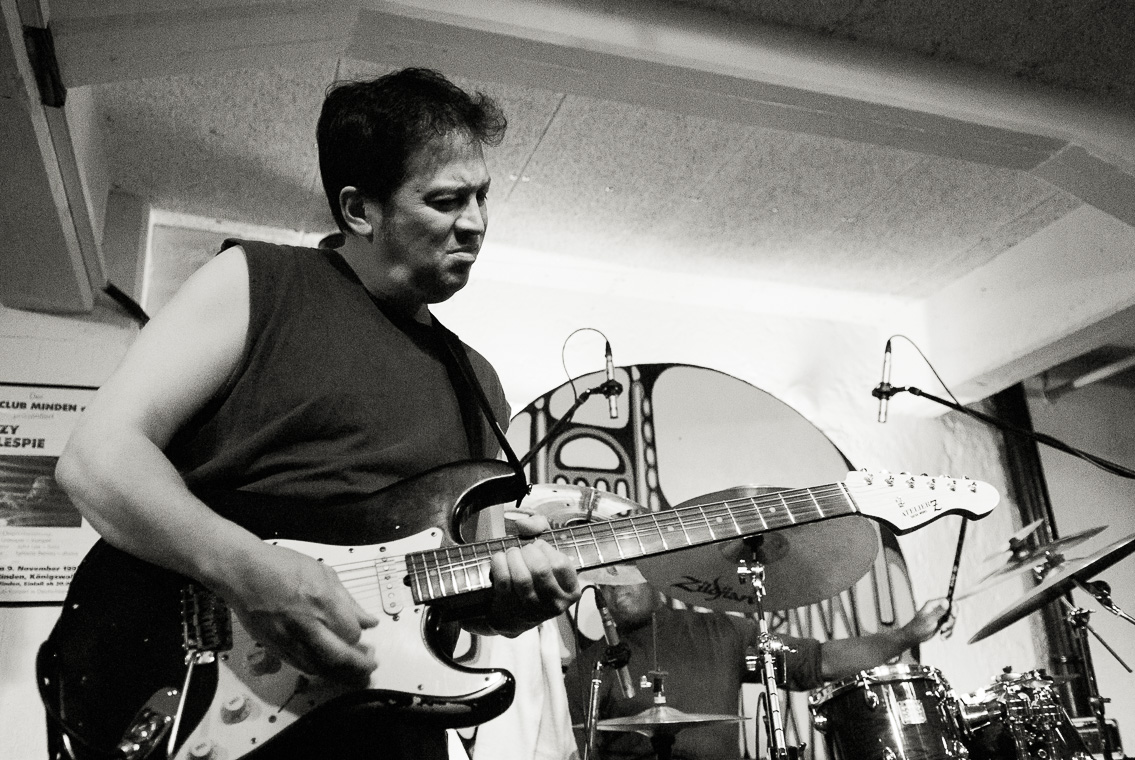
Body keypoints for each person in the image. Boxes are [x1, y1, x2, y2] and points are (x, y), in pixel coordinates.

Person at [50, 67, 580, 759]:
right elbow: (96, 459)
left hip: (391, 729)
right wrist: (247, 571)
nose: (476, 223)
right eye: (446, 200)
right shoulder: (257, 283)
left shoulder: (477, 381)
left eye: (482, 196)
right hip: (206, 695)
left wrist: (508, 607)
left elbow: (459, 582)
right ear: (359, 210)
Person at [564, 581, 951, 760]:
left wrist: (906, 635)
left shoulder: (721, 631)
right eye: (606, 577)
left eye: (626, 568)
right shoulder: (588, 668)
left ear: (654, 574)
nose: (616, 585)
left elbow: (818, 660)